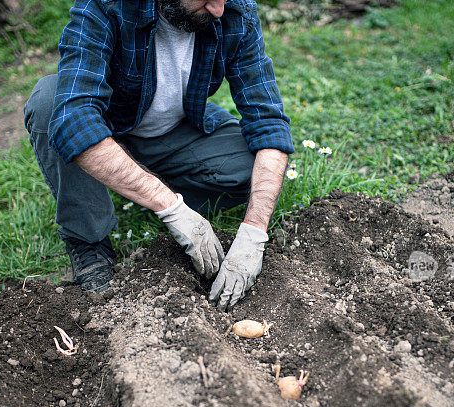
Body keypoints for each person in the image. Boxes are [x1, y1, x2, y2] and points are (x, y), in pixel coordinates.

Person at [23, 0, 293, 311]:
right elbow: (75, 119)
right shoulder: (106, 5)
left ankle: (132, 184)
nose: (218, 9)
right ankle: (89, 240)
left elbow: (268, 122)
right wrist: (171, 207)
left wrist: (255, 230)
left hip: (173, 131)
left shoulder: (235, 11)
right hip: (107, 128)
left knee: (255, 169)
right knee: (49, 104)